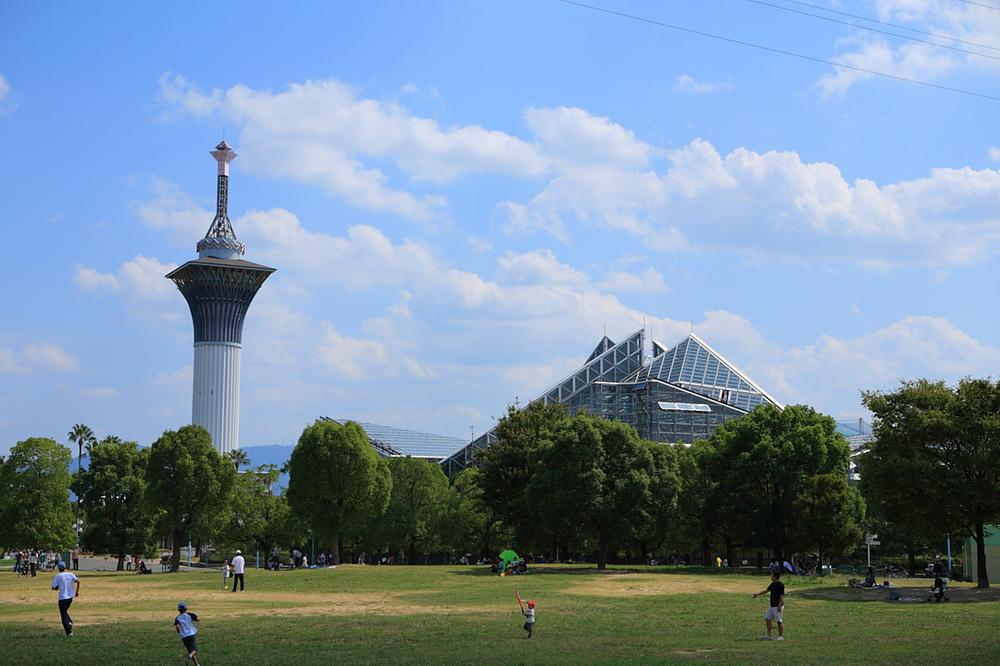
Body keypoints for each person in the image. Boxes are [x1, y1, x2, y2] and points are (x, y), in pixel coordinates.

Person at [752, 571, 785, 641]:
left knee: (779, 621)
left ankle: (780, 636)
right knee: (767, 618)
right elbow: (766, 590)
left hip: (777, 606)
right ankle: (768, 635)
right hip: (772, 606)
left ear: (775, 577)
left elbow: (781, 596)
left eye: (772, 575)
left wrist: (779, 605)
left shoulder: (781, 585)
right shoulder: (772, 584)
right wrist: (757, 594)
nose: (771, 576)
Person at [51, 562, 80, 637]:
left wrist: (56, 588)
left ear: (58, 568)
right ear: (65, 567)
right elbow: (78, 581)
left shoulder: (58, 576)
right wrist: (77, 591)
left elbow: (54, 587)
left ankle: (69, 632)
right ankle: (70, 622)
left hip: (62, 598)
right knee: (64, 612)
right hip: (70, 597)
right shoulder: (70, 574)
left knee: (63, 615)